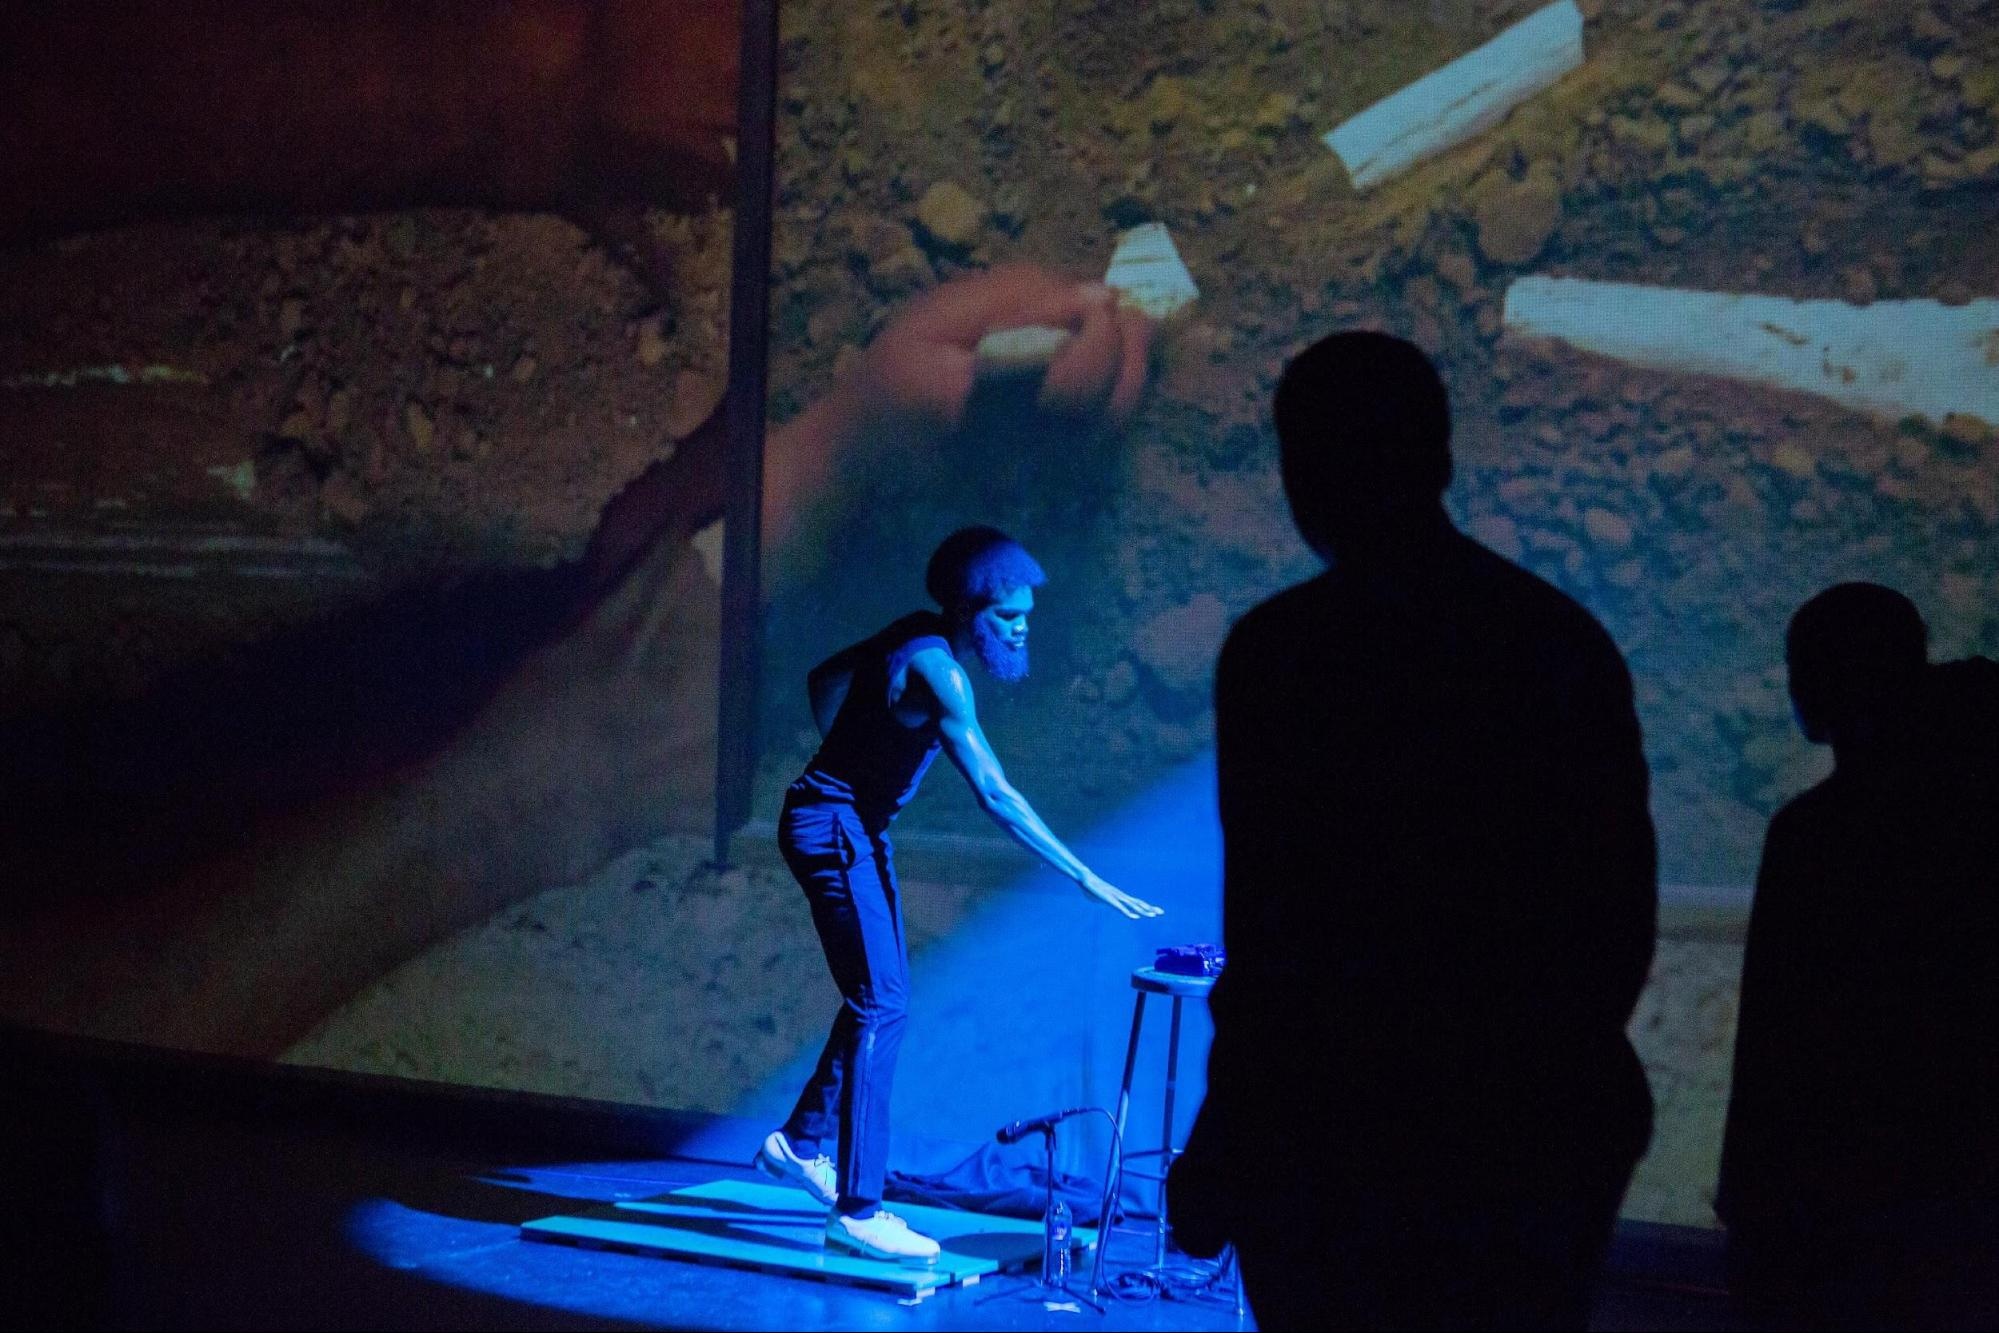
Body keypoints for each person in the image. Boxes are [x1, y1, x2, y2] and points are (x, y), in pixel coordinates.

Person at [1170, 332, 1657, 1329]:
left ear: (1299, 468)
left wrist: (1225, 1136)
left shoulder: (1278, 657)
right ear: (1438, 455)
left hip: (1329, 1152)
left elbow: (1275, 941)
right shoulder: (1556, 640)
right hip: (1528, 1146)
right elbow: (1615, 917)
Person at [750, 524, 1165, 1263]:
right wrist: (1085, 875)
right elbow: (997, 796)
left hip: (848, 821)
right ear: (972, 612)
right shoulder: (942, 672)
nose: (1021, 627)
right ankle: (857, 1208)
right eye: (1009, 617)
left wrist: (853, 755)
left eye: (1025, 613)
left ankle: (798, 1141)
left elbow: (824, 678)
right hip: (836, 825)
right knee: (883, 1003)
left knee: (880, 993)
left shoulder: (914, 632)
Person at [1717, 582, 1999, 1328]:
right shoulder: (1969, 821)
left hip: (1834, 1205)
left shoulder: (1814, 837)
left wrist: (1748, 1201)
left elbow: (1775, 1042)